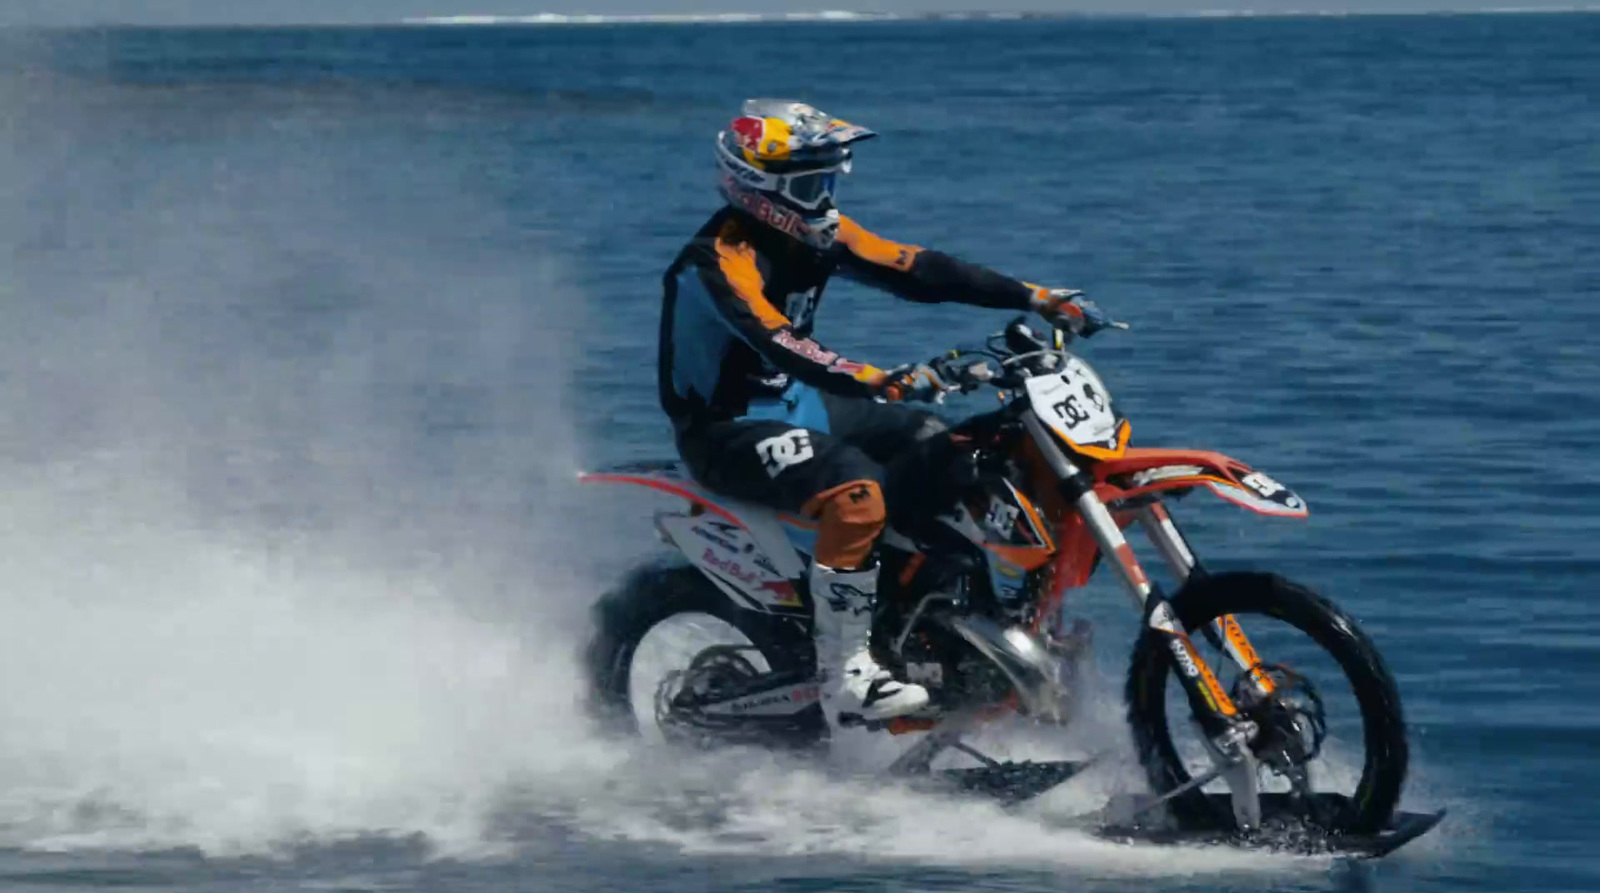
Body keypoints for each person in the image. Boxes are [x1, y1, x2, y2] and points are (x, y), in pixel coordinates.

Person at [659, 99, 1111, 730]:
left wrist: (1035, 297)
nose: (825, 197)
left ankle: (939, 629)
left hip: (803, 403)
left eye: (827, 179)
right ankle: (846, 673)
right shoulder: (717, 262)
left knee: (950, 450)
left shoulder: (816, 233)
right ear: (764, 190)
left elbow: (916, 268)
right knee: (857, 496)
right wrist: (881, 379)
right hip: (728, 429)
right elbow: (781, 341)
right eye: (811, 183)